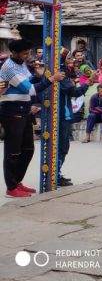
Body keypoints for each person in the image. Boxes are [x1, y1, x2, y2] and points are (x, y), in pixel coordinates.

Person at [0, 40, 63, 198]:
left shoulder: (21, 64)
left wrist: (38, 74)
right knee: (13, 151)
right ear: (14, 53)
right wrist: (50, 79)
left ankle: (17, 181)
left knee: (28, 149)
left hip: (25, 109)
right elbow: (30, 89)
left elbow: (30, 81)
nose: (28, 56)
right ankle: (11, 187)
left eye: (28, 53)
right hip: (12, 110)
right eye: (25, 53)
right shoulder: (9, 67)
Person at [57, 68, 90, 187]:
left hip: (58, 116)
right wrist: (87, 83)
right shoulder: (60, 78)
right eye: (69, 61)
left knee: (59, 147)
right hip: (62, 118)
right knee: (62, 147)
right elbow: (74, 92)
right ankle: (56, 175)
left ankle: (56, 174)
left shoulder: (48, 75)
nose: (72, 63)